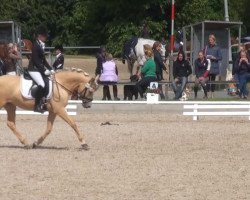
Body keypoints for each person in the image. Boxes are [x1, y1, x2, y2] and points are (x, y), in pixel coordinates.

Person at [28, 25, 55, 113]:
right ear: (40, 36)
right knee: (42, 84)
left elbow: (43, 60)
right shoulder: (36, 45)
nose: (46, 37)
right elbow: (36, 60)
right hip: (33, 69)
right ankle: (36, 106)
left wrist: (51, 69)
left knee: (48, 82)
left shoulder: (40, 45)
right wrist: (44, 70)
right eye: (44, 36)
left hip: (38, 69)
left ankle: (44, 103)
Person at [204, 34, 222, 98]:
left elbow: (220, 57)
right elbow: (204, 55)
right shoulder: (206, 47)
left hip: (214, 66)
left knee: (213, 81)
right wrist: (206, 57)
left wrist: (214, 58)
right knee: (207, 80)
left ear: (214, 40)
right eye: (209, 40)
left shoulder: (217, 48)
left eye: (211, 40)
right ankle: (207, 94)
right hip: (208, 67)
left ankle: (213, 94)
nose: (210, 41)